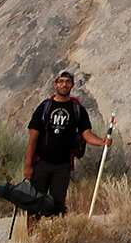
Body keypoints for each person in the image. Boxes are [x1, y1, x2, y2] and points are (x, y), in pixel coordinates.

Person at [23, 69, 111, 215]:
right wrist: (28, 165)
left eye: (68, 82)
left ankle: (57, 236)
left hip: (62, 166)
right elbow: (33, 138)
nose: (64, 85)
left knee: (58, 205)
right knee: (35, 204)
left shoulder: (78, 110)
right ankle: (32, 237)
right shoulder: (45, 107)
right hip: (41, 163)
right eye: (61, 81)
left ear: (72, 85)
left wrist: (102, 142)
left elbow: (86, 133)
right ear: (55, 84)